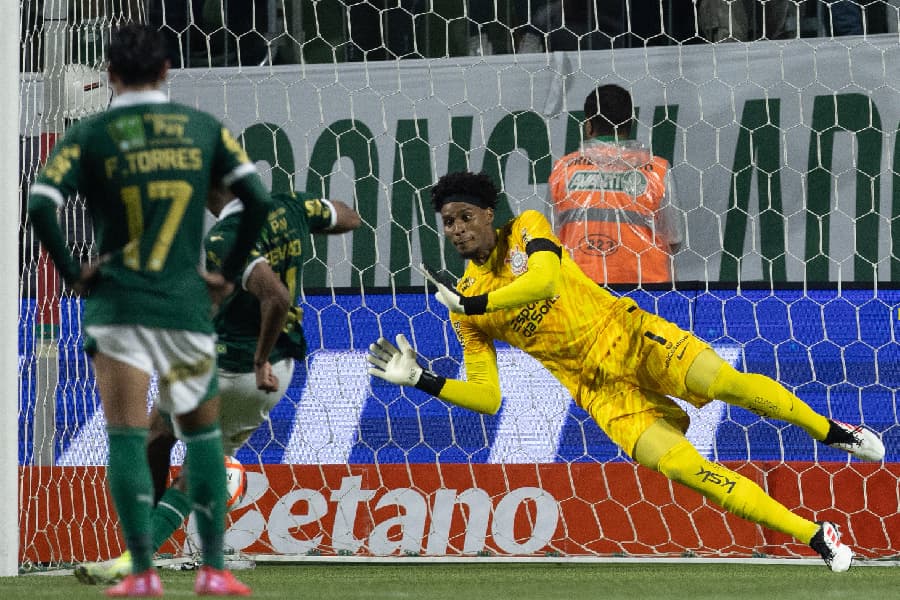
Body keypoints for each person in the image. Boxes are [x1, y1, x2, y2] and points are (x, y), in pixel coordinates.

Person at [367, 170, 885, 572]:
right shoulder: (463, 305)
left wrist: (475, 304)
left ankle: (833, 430)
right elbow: (488, 398)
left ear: (488, 213)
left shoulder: (526, 230)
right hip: (598, 391)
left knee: (726, 384)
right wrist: (422, 380)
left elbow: (546, 282)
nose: (457, 231)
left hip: (631, 335)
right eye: (448, 224)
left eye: (464, 217)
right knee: (683, 469)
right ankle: (816, 536)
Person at [27, 23, 272, 597]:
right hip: (185, 306)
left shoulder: (92, 131)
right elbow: (256, 198)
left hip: (118, 305)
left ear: (108, 75)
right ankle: (213, 570)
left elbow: (41, 202)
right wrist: (228, 274)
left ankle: (141, 573)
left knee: (126, 438)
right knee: (204, 438)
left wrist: (71, 272)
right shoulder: (202, 128)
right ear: (167, 71)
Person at [73, 185, 361, 584]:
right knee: (160, 434)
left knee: (166, 445)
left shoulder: (226, 237)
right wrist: (302, 228)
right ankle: (157, 534)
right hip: (277, 368)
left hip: (237, 369)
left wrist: (259, 360)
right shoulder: (289, 205)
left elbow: (274, 296)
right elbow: (349, 216)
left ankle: (140, 552)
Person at [548, 84, 683, 285]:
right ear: (630, 121)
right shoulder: (657, 170)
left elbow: (549, 238)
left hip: (583, 293)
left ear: (589, 125)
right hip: (646, 292)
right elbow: (674, 238)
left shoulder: (563, 170)